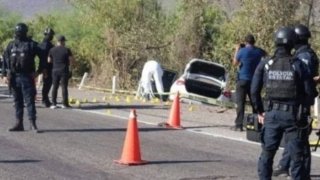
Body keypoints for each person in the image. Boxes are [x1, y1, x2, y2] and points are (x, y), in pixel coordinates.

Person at [251, 26, 315, 180]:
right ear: (293, 44)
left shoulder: (266, 64)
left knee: (267, 153)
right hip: (293, 116)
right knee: (297, 157)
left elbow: (254, 90)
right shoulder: (298, 64)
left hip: (271, 114)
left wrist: (260, 111)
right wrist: (303, 110)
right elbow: (310, 93)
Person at [273, 24, 319, 179]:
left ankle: (295, 170)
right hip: (301, 101)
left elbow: (304, 79)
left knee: (298, 138)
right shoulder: (305, 54)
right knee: (295, 137)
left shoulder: (303, 57)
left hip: (300, 102)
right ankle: (284, 166)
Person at [2, 23, 41, 132]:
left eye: (21, 32)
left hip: (27, 76)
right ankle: (19, 123)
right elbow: (5, 59)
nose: (18, 34)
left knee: (29, 101)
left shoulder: (31, 44)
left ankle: (32, 124)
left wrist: (38, 71)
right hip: (14, 77)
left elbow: (43, 57)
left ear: (25, 32)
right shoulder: (11, 45)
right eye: (17, 31)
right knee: (17, 101)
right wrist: (4, 74)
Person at [231, 34, 266, 131]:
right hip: (254, 81)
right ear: (254, 42)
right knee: (255, 102)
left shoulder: (242, 51)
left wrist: (237, 49)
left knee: (240, 103)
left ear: (246, 42)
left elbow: (235, 63)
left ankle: (238, 125)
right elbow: (265, 54)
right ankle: (257, 124)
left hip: (242, 80)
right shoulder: (258, 51)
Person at [48, 35, 73, 109]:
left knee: (55, 87)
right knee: (64, 87)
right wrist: (71, 69)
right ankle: (64, 104)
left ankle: (53, 103)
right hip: (64, 70)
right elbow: (71, 60)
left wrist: (55, 62)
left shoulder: (52, 50)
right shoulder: (67, 50)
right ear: (63, 41)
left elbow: (49, 60)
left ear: (57, 42)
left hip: (55, 70)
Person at [38, 28, 55, 107]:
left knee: (47, 83)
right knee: (47, 83)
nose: (51, 36)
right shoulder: (47, 45)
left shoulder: (42, 44)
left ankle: (45, 99)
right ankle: (45, 100)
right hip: (47, 67)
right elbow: (44, 57)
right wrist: (44, 69)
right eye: (51, 35)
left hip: (44, 66)